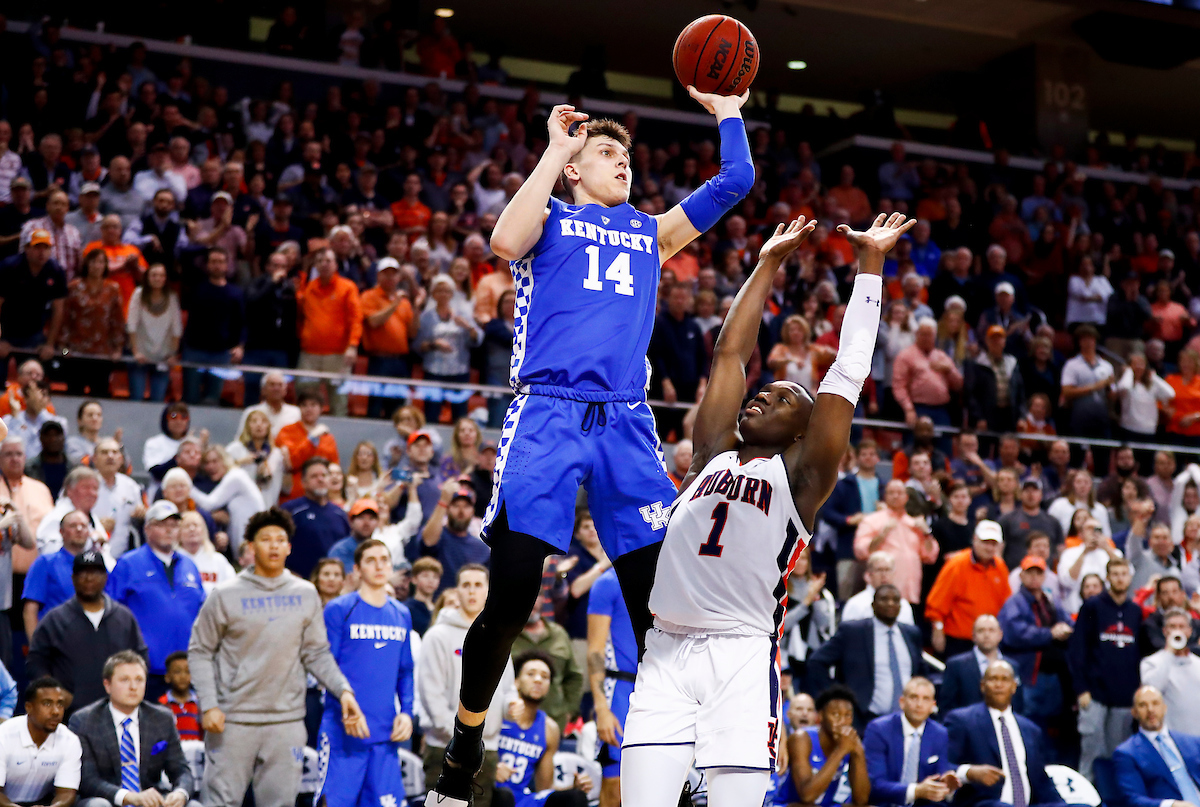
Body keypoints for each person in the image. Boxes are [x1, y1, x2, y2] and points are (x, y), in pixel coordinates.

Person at [430, 88, 756, 806]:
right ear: (576, 168)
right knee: (511, 596)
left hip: (627, 423)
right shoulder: (550, 216)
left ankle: (681, 761)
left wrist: (728, 107)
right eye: (608, 154)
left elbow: (736, 182)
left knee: (658, 609)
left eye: (628, 157)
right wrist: (555, 148)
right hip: (547, 412)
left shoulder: (652, 232)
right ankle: (462, 749)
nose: (624, 165)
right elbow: (503, 243)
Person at [617, 214, 908, 805]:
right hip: (664, 651)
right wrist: (767, 263)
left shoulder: (801, 479)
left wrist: (870, 266)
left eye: (780, 399)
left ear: (801, 431)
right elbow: (730, 354)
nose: (760, 396)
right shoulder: (712, 455)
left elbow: (848, 371)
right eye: (763, 391)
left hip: (740, 653)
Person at [188, 506, 365, 807]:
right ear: (251, 547)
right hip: (232, 720)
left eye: (280, 539)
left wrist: (343, 690)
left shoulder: (306, 593)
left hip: (286, 722)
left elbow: (316, 653)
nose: (273, 545)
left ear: (289, 547)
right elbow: (200, 651)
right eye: (265, 539)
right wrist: (209, 705)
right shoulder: (225, 594)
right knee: (219, 802)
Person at [316, 539, 415, 807]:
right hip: (342, 734)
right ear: (357, 570)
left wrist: (406, 711)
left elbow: (405, 671)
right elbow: (326, 666)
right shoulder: (339, 609)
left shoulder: (401, 614)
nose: (379, 565)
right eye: (370, 560)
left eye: (384, 559)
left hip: (385, 737)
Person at [420, 564, 514, 807]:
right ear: (457, 591)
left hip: (487, 751)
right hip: (445, 748)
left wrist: (512, 705)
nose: (472, 591)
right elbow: (431, 696)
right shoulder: (437, 636)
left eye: (478, 585)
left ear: (488, 591)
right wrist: (462, 742)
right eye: (466, 585)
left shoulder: (499, 637)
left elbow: (507, 689)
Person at [945, 660, 1082, 807]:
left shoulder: (1031, 730)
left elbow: (1042, 782)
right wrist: (970, 772)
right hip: (985, 803)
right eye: (993, 679)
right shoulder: (962, 720)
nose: (999, 685)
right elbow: (944, 766)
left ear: (1014, 687)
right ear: (982, 686)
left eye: (1005, 679)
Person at [68, 650, 196, 807]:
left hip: (151, 801)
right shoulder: (84, 721)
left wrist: (180, 793)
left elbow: (181, 770)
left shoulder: (162, 718)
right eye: (125, 680)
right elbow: (87, 779)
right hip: (108, 800)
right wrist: (129, 797)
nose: (133, 687)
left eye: (139, 680)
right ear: (107, 685)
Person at [106, 501, 204, 702]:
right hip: (146, 670)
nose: (169, 530)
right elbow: (110, 612)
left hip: (188, 671)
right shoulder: (128, 564)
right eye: (162, 525)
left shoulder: (190, 566)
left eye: (174, 525)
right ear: (148, 529)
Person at [27, 550, 147, 714]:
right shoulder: (55, 619)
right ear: (73, 578)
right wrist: (54, 693)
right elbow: (36, 661)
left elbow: (141, 658)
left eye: (95, 573)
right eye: (82, 573)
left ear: (105, 577)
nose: (89, 578)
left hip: (117, 713)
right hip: (70, 716)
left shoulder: (124, 618)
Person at [808, 584, 929, 728]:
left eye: (895, 600)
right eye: (884, 599)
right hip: (864, 718)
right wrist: (835, 695)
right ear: (873, 605)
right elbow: (817, 661)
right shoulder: (853, 632)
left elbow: (920, 671)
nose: (890, 603)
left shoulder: (911, 633)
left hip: (905, 720)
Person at [1069, 556, 1141, 780]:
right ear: (1108, 578)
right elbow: (1077, 650)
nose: (1120, 579)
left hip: (1125, 697)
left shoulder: (1135, 611)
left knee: (1119, 756)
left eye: (1124, 574)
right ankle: (1085, 802)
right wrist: (1081, 689)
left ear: (1130, 578)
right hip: (1094, 694)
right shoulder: (1092, 606)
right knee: (1091, 753)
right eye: (1115, 574)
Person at [495, 651, 591, 807]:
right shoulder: (498, 713)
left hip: (522, 799)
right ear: (516, 681)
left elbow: (544, 788)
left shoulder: (549, 728)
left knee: (576, 798)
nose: (538, 680)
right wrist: (491, 770)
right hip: (487, 790)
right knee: (504, 797)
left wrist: (573, 788)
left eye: (545, 677)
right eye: (531, 674)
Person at [997, 556, 1074, 724]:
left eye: (1038, 573)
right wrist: (1050, 634)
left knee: (1053, 722)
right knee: (1028, 719)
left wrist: (1067, 629)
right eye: (1029, 573)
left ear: (1045, 576)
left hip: (1053, 674)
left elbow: (1067, 621)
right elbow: (1015, 633)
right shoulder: (1014, 602)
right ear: (1021, 576)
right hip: (1029, 674)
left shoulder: (1050, 600)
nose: (1034, 577)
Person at [862, 677, 955, 807]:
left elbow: (941, 776)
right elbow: (875, 784)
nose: (919, 704)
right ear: (902, 702)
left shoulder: (939, 733)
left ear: (933, 706)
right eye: (914, 697)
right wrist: (916, 791)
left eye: (926, 699)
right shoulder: (879, 729)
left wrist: (947, 785)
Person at [925, 521, 1011, 658]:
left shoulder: (1000, 567)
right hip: (959, 640)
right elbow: (937, 602)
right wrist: (938, 630)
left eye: (993, 544)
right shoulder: (956, 565)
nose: (989, 548)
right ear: (975, 540)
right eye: (985, 542)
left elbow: (1006, 603)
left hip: (989, 640)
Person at [586, 567, 635, 807]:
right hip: (619, 689)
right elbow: (595, 651)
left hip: (656, 685)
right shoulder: (607, 582)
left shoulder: (665, 576)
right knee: (615, 786)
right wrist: (601, 708)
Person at [775, 685, 870, 807]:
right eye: (835, 714)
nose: (842, 721)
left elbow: (861, 800)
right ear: (820, 716)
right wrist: (841, 750)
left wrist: (858, 752)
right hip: (791, 804)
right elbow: (807, 796)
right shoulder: (802, 738)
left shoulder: (849, 741)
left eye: (848, 715)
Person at [296, 247, 361, 417]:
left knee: (339, 401)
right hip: (309, 355)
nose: (324, 264)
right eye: (320, 261)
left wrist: (353, 346)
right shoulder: (309, 288)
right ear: (315, 265)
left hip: (338, 355)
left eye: (328, 261)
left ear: (336, 264)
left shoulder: (347, 288)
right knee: (305, 400)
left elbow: (356, 319)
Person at [854, 479, 940, 606]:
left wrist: (926, 532)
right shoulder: (871, 521)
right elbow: (861, 551)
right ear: (885, 496)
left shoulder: (914, 524)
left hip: (911, 592)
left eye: (899, 493)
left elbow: (930, 556)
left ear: (906, 497)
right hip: (883, 594)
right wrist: (882, 534)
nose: (895, 496)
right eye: (891, 493)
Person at [1113, 685, 1200, 807]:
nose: (1150, 710)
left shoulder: (1193, 743)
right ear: (1134, 712)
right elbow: (1132, 799)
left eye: (1155, 703)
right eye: (1143, 705)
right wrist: (1171, 805)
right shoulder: (1126, 753)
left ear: (1164, 708)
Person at [0, 678, 80, 807]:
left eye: (60, 704)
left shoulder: (70, 740)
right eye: (47, 704)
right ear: (29, 707)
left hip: (43, 803)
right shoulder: (4, 736)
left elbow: (66, 793)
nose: (56, 711)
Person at [822, 440, 885, 602]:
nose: (868, 458)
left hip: (878, 550)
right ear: (856, 458)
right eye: (864, 454)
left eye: (872, 454)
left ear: (878, 458)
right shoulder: (844, 485)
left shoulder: (884, 487)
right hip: (848, 549)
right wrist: (849, 520)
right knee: (846, 595)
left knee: (879, 595)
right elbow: (827, 513)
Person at [511, 593, 584, 732]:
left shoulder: (559, 634)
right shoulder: (506, 633)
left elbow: (574, 676)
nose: (532, 601)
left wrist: (569, 711)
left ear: (543, 599)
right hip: (511, 719)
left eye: (536, 595)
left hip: (553, 720)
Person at [24, 511, 100, 638]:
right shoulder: (45, 563)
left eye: (83, 525)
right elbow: (30, 610)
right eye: (73, 526)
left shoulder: (97, 566)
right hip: (55, 641)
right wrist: (36, 650)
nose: (79, 529)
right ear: (61, 531)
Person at [412, 478, 489, 590]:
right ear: (447, 509)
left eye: (466, 506)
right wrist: (443, 501)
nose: (461, 511)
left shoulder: (481, 548)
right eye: (456, 506)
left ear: (472, 511)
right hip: (437, 602)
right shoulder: (438, 536)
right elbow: (428, 542)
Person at [281, 457, 351, 578]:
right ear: (303, 482)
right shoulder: (290, 510)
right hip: (300, 583)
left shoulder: (340, 514)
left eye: (324, 475)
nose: (320, 479)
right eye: (314, 476)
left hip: (334, 583)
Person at [941, 615, 1021, 714]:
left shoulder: (1013, 666)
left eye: (991, 630)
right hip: (967, 725)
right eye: (981, 630)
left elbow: (1018, 705)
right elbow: (946, 705)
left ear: (1000, 635)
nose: (986, 635)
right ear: (973, 636)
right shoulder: (956, 665)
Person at [1139, 608, 1200, 735]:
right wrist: (1170, 653)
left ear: (1189, 631)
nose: (1177, 630)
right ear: (1165, 631)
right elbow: (1153, 688)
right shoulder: (1151, 662)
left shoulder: (1198, 663)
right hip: (1168, 739)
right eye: (1172, 627)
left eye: (1181, 626)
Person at [274, 391, 340, 505]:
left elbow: (334, 468)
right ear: (299, 408)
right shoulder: (286, 431)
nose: (309, 409)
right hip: (292, 498)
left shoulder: (328, 437)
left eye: (313, 405)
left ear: (321, 409)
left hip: (321, 499)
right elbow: (292, 462)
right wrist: (312, 438)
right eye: (304, 405)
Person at [1058, 517, 1122, 614]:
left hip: (1108, 609)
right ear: (1080, 534)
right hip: (1077, 609)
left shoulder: (1114, 553)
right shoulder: (1069, 553)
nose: (1093, 532)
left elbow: (1126, 573)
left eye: (1097, 529)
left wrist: (1107, 548)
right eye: (1089, 528)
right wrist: (1084, 552)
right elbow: (1066, 581)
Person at [999, 480, 1063, 572]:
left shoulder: (1053, 522)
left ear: (1041, 495)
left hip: (1044, 574)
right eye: (1027, 491)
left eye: (1034, 491)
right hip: (1014, 573)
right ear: (1020, 494)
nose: (1031, 494)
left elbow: (1060, 551)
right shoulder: (1007, 520)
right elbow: (998, 551)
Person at [841, 551, 915, 625]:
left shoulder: (903, 605)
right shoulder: (856, 604)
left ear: (894, 574)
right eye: (879, 570)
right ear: (869, 574)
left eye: (887, 570)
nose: (884, 575)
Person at [1139, 575, 1200, 656]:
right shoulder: (1151, 623)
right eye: (1165, 593)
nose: (1171, 597)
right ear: (1158, 597)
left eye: (1175, 591)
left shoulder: (1195, 623)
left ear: (1182, 594)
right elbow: (1157, 647)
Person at [158, 651, 203, 742]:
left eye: (187, 672)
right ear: (167, 677)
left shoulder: (200, 704)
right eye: (177, 672)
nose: (183, 676)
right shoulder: (162, 704)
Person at [407, 556, 444, 636]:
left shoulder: (440, 609)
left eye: (435, 577)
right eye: (425, 576)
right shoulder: (407, 608)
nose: (431, 581)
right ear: (414, 579)